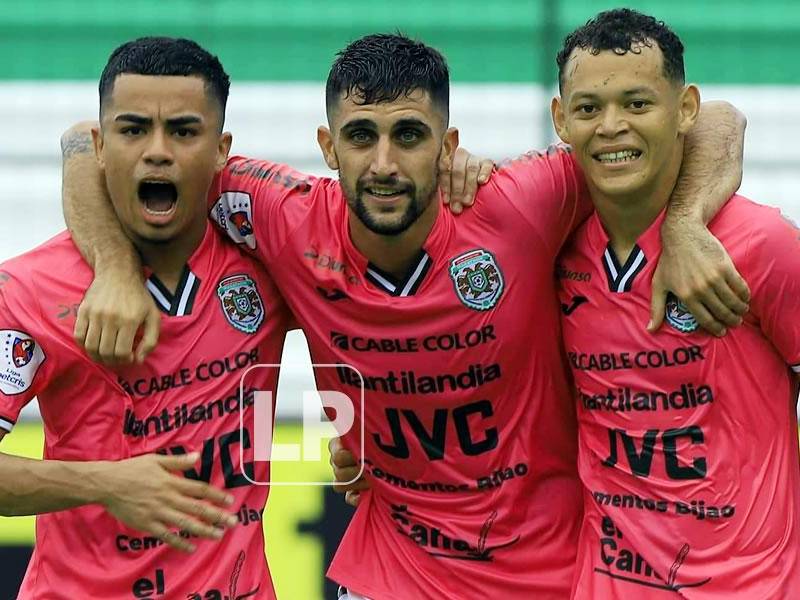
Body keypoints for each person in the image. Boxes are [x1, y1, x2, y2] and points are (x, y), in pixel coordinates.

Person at [61, 34, 747, 599]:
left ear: (448, 148)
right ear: (330, 151)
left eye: (409, 135)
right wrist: (116, 270)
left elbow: (714, 118)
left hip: (549, 572)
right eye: (361, 136)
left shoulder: (519, 204)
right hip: (391, 570)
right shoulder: (281, 217)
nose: (383, 164)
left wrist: (685, 223)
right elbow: (82, 147)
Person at [0, 37, 295, 598]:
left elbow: (384, 317)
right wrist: (107, 484)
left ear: (221, 149)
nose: (157, 152)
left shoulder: (269, 267)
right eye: (133, 130)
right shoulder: (29, 289)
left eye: (184, 132)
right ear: (100, 146)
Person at [551, 9, 800, 598]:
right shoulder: (551, 248)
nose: (612, 127)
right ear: (561, 120)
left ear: (685, 109)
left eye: (638, 104)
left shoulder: (760, 245)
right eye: (589, 109)